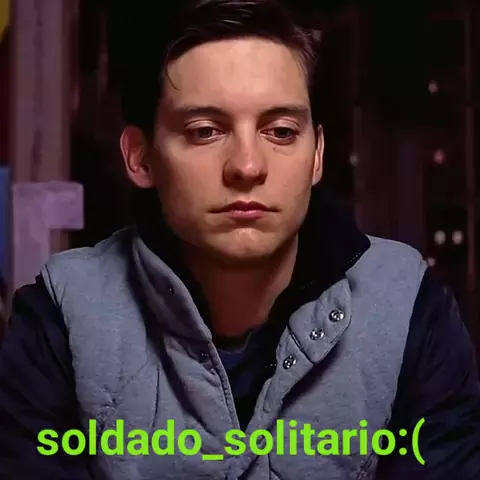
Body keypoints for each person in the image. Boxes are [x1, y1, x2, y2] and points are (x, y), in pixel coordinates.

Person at [0, 0, 479, 478]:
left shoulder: (408, 306)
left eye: (281, 131)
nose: (248, 166)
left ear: (317, 155)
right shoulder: (63, 315)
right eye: (206, 131)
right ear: (141, 157)